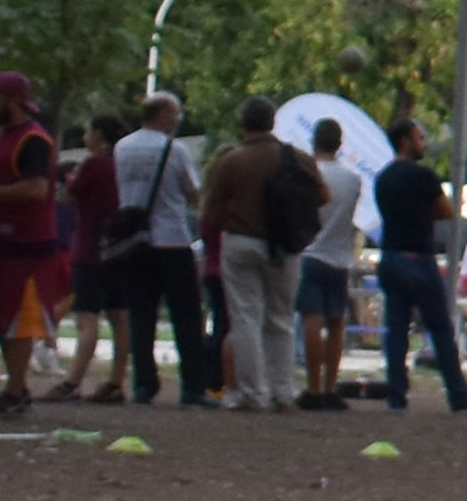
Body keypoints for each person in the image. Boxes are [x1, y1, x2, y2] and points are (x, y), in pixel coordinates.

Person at [200, 95, 321, 412]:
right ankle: (283, 391)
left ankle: (253, 392)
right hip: (285, 245)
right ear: (272, 123)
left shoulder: (233, 160)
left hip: (241, 242)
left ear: (243, 124)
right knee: (281, 319)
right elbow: (322, 194)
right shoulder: (296, 157)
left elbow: (210, 211)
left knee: (245, 319)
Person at [0, 72, 71, 409]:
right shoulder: (4, 135)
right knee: (1, 317)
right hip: (2, 240)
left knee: (19, 319)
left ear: (12, 98)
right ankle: (14, 387)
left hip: (29, 245)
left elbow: (36, 188)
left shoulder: (32, 140)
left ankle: (15, 389)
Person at [99, 92, 202, 403]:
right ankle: (193, 387)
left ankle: (145, 383)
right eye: (176, 114)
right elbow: (192, 191)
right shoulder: (175, 149)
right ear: (162, 115)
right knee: (186, 314)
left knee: (141, 314)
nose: (178, 119)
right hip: (171, 238)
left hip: (134, 242)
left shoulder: (123, 147)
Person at [370, 135, 467, 417]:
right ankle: (458, 395)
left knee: (396, 331)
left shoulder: (383, 178)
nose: (424, 142)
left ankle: (396, 396)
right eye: (419, 137)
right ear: (406, 141)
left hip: (391, 257)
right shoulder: (424, 176)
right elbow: (445, 210)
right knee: (440, 328)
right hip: (419, 258)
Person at [301, 123, 365, 406]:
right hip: (340, 256)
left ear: (314, 141)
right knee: (337, 322)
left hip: (311, 252)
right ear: (339, 144)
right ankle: (330, 386)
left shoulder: (308, 175)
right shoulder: (353, 180)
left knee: (311, 320)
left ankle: (313, 387)